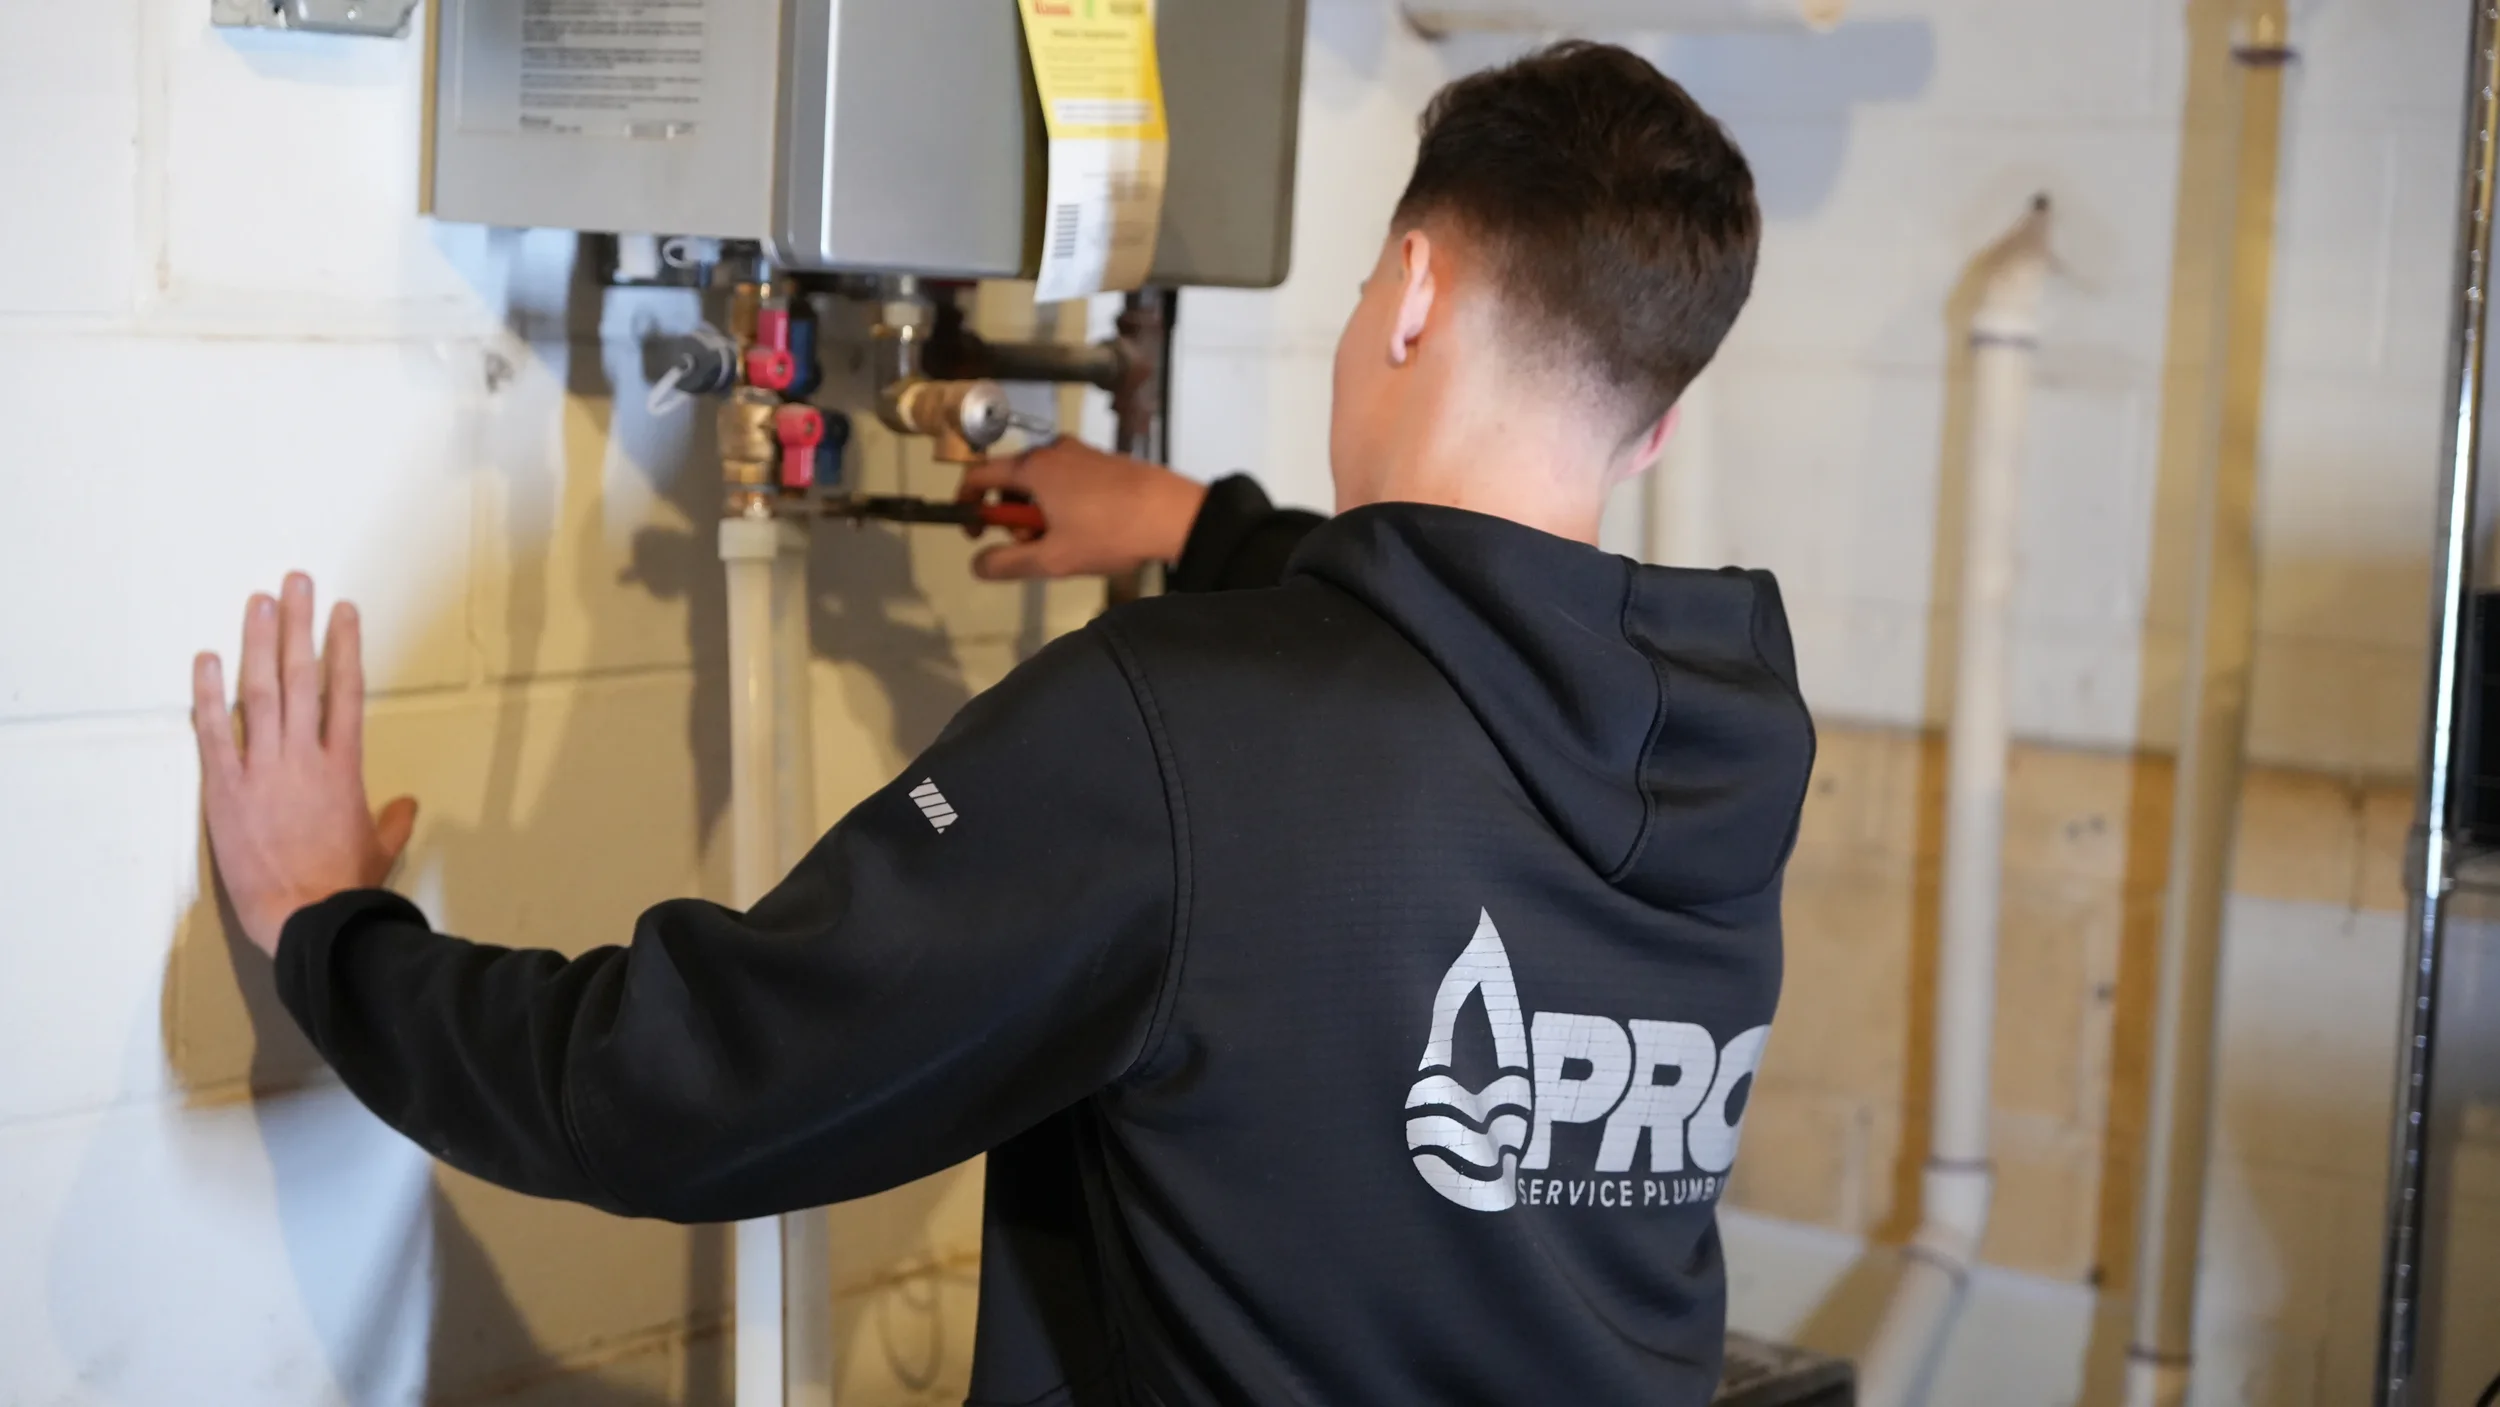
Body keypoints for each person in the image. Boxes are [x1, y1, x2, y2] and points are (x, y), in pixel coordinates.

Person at [192, 41, 1814, 1406]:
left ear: (1409, 293)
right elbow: (1441, 687)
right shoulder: (1724, 748)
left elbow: (685, 1090)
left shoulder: (1180, 734)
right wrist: (1193, 517)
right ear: (1657, 422)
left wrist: (336, 935)